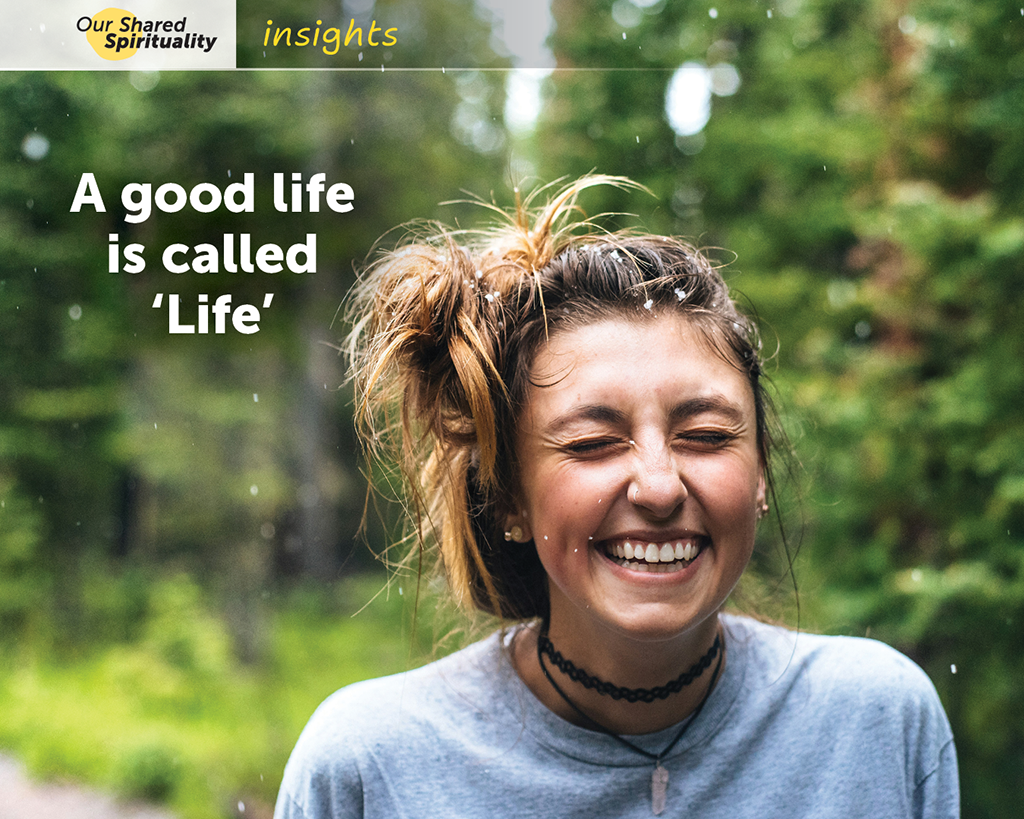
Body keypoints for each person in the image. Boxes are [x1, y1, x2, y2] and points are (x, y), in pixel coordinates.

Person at [274, 177, 959, 818]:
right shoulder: (371, 767)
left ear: (760, 475)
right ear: (509, 497)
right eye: (593, 443)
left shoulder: (876, 724)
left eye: (706, 436)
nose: (658, 487)